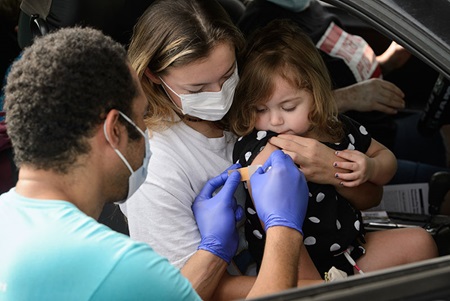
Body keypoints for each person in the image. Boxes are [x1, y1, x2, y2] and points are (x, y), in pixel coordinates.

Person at [0, 26, 310, 300]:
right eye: (142, 116)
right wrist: (283, 227)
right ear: (115, 130)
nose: (149, 131)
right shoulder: (119, 266)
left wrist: (213, 250)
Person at [121, 0, 346, 298]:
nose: (220, 96)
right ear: (153, 76)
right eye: (198, 89)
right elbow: (183, 292)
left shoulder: (241, 104)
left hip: (301, 246)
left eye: (227, 75)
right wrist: (218, 247)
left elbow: (292, 104)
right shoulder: (156, 168)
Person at [229, 19, 439, 280]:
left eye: (289, 107)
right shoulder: (261, 142)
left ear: (316, 95)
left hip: (349, 252)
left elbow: (386, 161)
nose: (275, 121)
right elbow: (269, 200)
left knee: (422, 243)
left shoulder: (337, 129)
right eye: (261, 109)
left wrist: (370, 167)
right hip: (295, 269)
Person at [237, 0, 449, 174]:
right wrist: (348, 97)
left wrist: (385, 62)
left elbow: (341, 65)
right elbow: (275, 93)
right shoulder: (266, 23)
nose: (275, 118)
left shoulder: (308, 6)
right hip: (369, 143)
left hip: (384, 128)